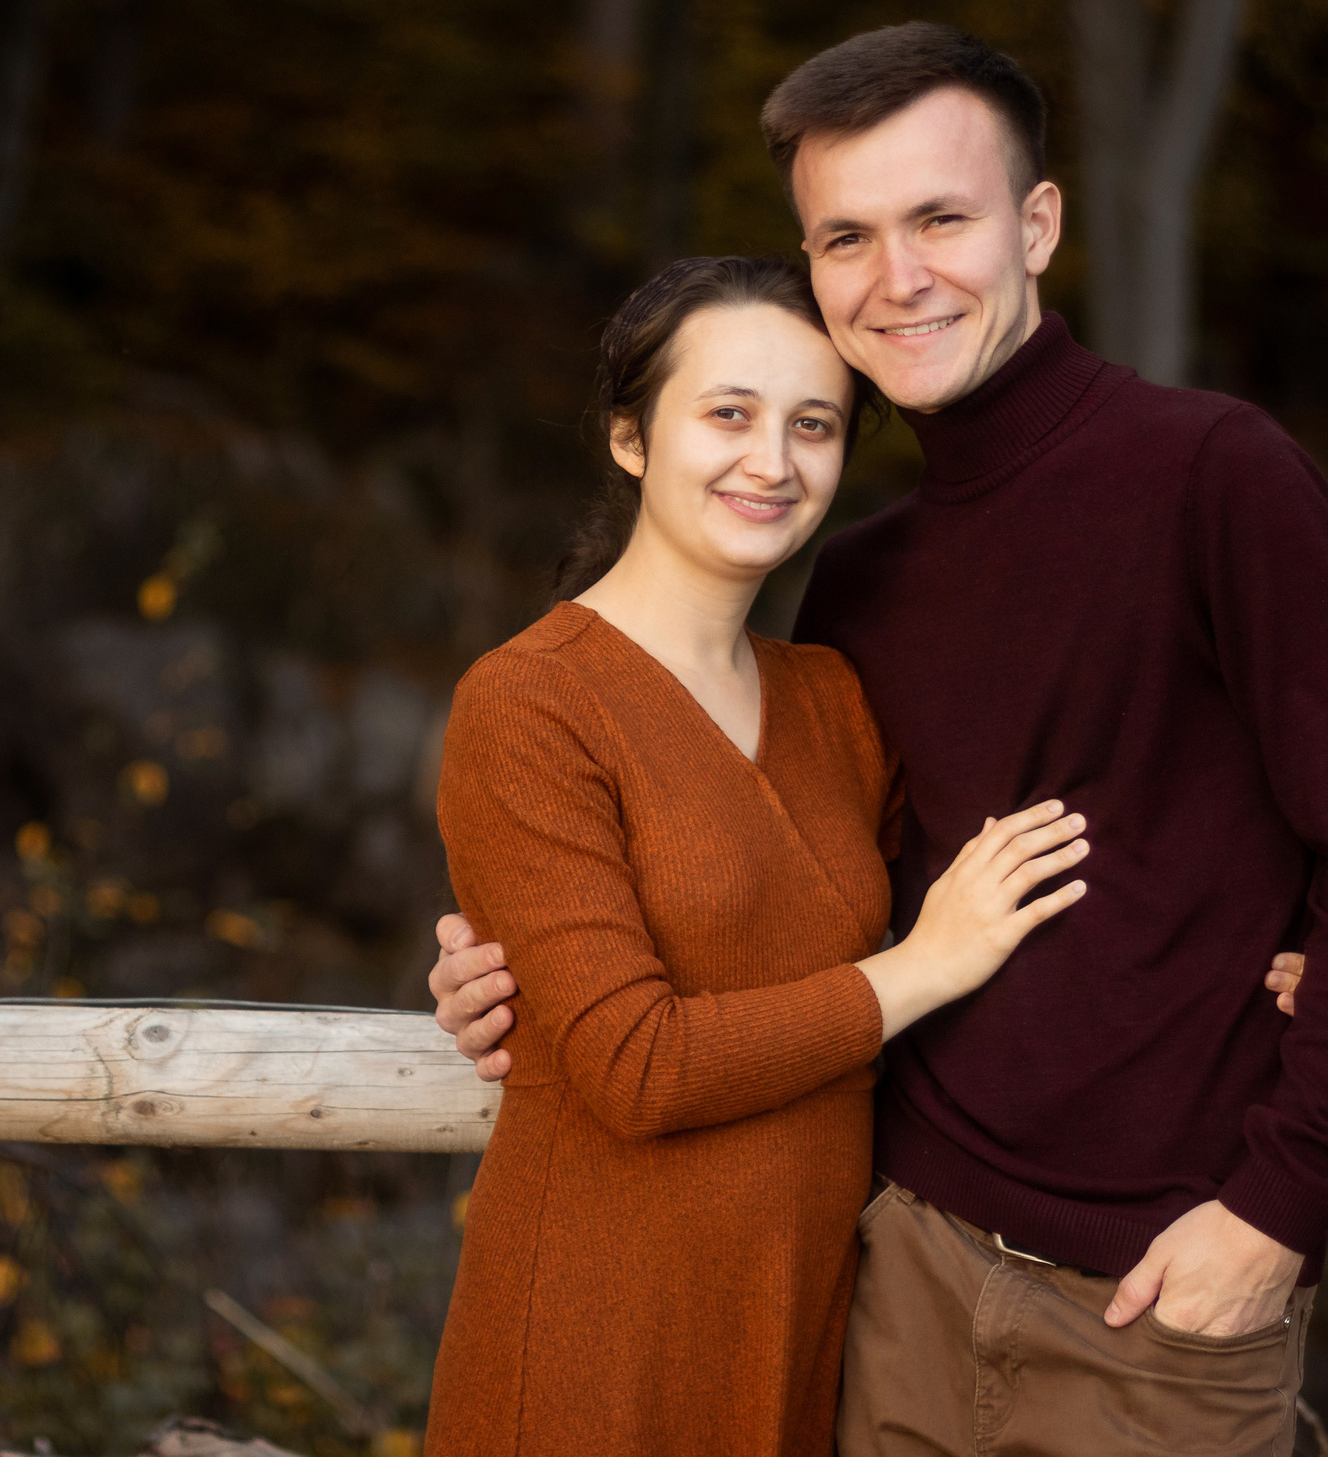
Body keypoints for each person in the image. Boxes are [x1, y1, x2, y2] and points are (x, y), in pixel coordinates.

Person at [433, 24, 1328, 1456]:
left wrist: (1279, 1205)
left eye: (940, 218)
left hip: (1156, 1299)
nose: (895, 276)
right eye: (846, 235)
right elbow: (800, 895)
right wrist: (516, 962)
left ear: (1038, 224)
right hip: (892, 1273)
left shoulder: (1218, 477)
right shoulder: (860, 583)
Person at [423, 255, 1100, 1457]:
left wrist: (1286, 940)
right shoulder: (528, 704)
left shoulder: (834, 697)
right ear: (631, 437)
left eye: (814, 425)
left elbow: (1030, 881)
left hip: (798, 1319)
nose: (772, 462)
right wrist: (921, 968)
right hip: (600, 1325)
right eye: (727, 414)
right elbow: (633, 1065)